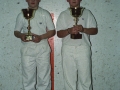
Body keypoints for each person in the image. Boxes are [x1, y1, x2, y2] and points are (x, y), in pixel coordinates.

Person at [56, 0, 98, 90]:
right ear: (67, 0)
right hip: (67, 48)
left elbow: (95, 30)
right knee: (69, 80)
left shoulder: (87, 13)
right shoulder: (63, 14)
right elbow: (59, 34)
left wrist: (83, 29)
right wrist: (68, 31)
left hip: (83, 47)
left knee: (85, 79)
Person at [14, 0, 55, 90]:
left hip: (42, 48)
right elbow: (16, 31)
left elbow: (52, 31)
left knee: (44, 77)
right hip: (27, 49)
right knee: (28, 78)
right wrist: (21, 35)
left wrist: (41, 37)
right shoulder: (21, 14)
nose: (33, 0)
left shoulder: (44, 13)